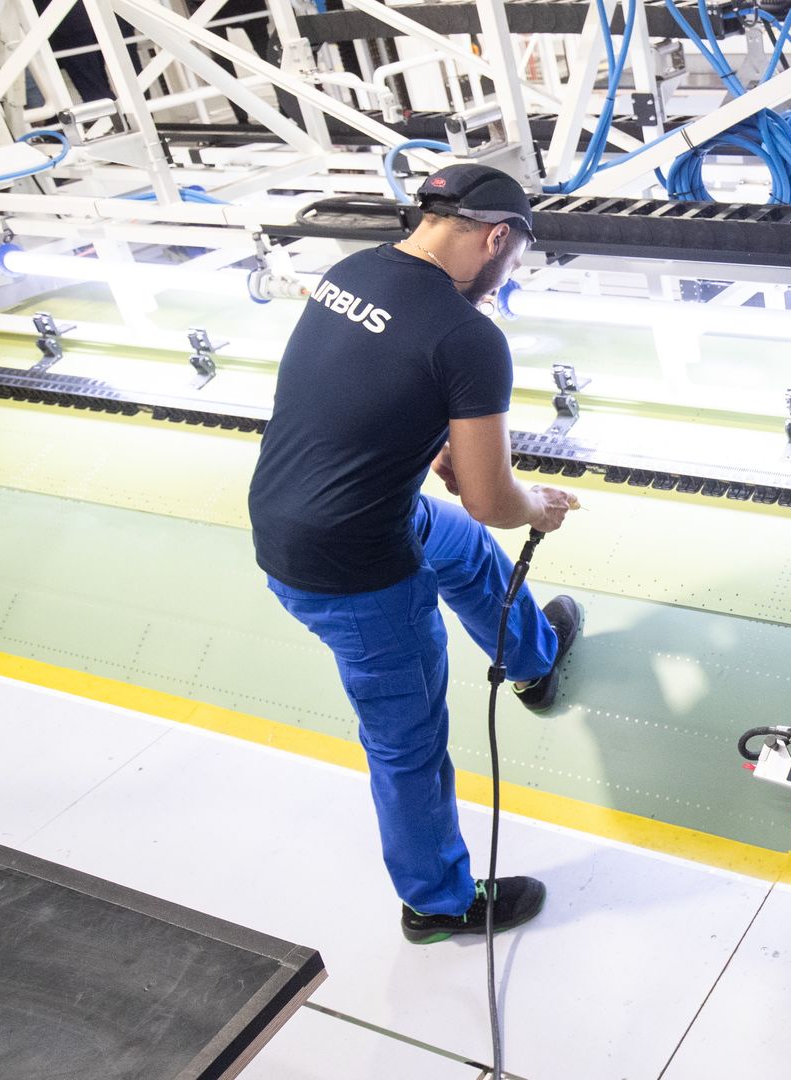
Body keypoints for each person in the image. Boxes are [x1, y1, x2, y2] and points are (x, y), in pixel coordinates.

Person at [248, 164, 583, 944]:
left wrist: (434, 447)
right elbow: (494, 502)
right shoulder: (469, 337)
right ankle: (437, 901)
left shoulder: (353, 271)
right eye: (516, 258)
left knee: (461, 547)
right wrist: (540, 508)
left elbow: (364, 388)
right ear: (496, 238)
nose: (508, 276)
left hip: (293, 512)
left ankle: (531, 660)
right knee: (408, 741)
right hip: (354, 570)